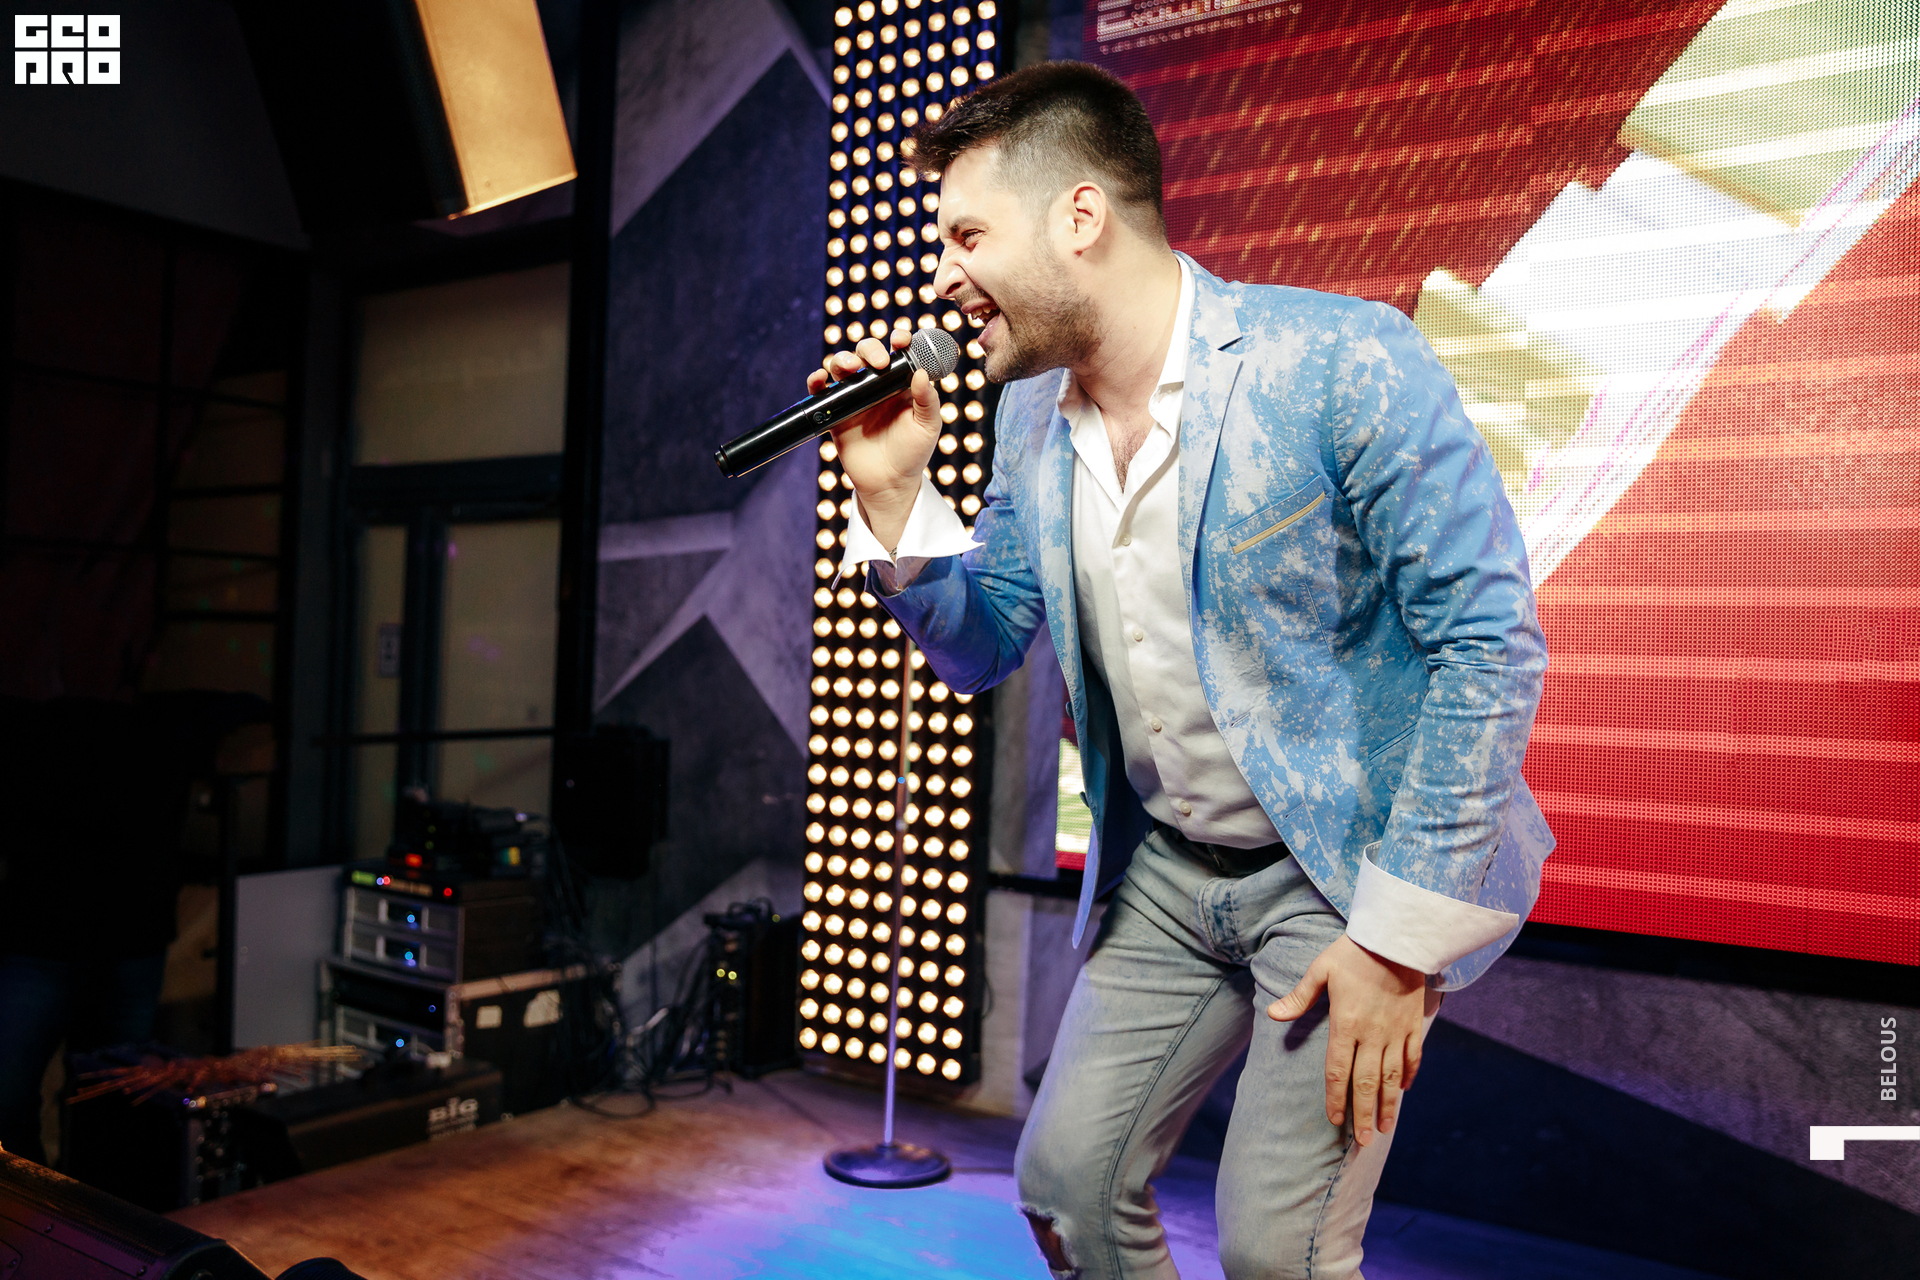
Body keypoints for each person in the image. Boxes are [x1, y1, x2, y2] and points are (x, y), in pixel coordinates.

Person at [811, 62, 1552, 1280]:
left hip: (1339, 875)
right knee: (1066, 1191)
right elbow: (983, 642)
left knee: (1275, 1254)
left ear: (1081, 217)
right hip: (1166, 872)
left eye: (966, 236)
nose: (941, 274)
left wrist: (1397, 942)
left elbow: (1487, 641)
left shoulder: (1339, 359)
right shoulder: (1030, 416)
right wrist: (895, 501)